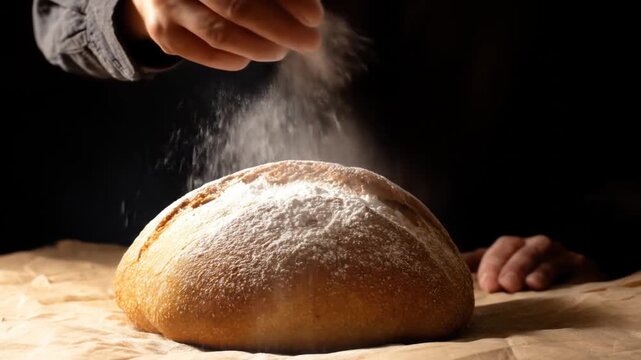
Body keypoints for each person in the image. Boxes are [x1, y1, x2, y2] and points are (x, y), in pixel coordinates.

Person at [32, 0, 638, 293]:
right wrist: (132, 9)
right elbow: (54, 15)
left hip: (517, 278)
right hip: (237, 254)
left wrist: (608, 251)